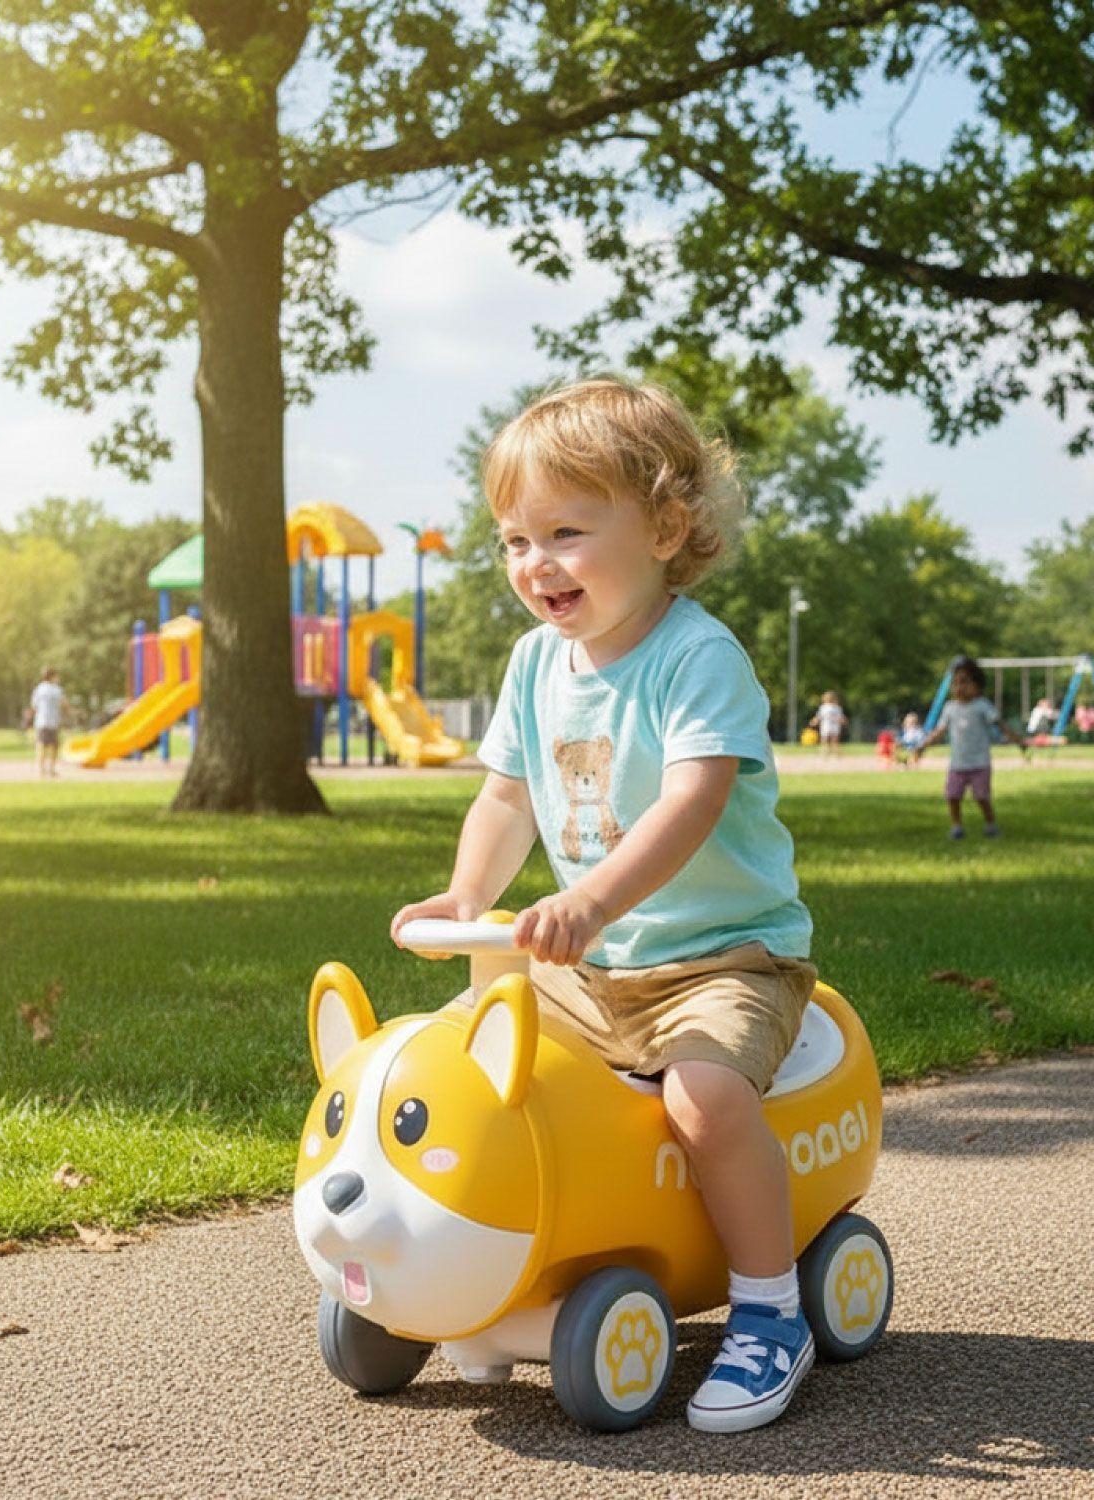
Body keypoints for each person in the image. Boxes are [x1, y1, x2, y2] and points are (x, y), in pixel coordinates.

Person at [390, 378, 817, 1435]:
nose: (535, 564)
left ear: (667, 527)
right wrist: (470, 893)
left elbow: (691, 802)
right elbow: (509, 792)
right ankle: (490, 1255)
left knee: (706, 1102)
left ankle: (772, 1309)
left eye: (566, 533)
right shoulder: (536, 664)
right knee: (468, 1053)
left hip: (723, 957)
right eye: (513, 540)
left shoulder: (697, 656)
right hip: (596, 968)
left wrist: (587, 899)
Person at [914, 657, 1027, 838]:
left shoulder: (982, 706)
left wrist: (1017, 740)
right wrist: (923, 746)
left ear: (977, 685)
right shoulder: (950, 708)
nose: (960, 687)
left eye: (965, 682)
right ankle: (957, 826)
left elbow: (1000, 725)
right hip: (958, 763)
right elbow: (940, 731)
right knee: (952, 795)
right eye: (956, 683)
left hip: (979, 762)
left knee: (981, 796)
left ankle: (990, 824)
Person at [25, 667, 72, 779]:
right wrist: (70, 713)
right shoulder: (57, 690)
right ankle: (51, 769)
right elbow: (64, 704)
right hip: (54, 721)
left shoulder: (39, 689)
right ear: (52, 676)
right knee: (54, 746)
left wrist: (29, 718)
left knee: (41, 745)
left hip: (41, 721)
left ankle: (41, 769)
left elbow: (34, 706)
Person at [810, 691, 847, 757]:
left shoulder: (825, 707)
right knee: (833, 741)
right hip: (832, 726)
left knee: (826, 741)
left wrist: (814, 721)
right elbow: (840, 717)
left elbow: (819, 717)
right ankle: (836, 754)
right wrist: (844, 721)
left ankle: (826, 753)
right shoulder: (836, 707)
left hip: (828, 726)